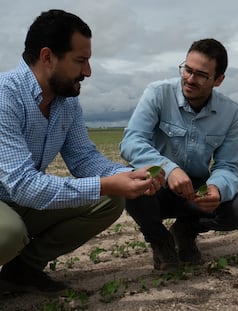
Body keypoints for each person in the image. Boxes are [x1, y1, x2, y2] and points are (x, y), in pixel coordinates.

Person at [0, 9, 164, 294]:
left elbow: (83, 157)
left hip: (15, 199)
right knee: (7, 233)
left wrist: (127, 175)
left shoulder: (66, 102)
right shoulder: (5, 97)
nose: (87, 72)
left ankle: (21, 271)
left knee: (110, 199)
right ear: (47, 56)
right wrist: (105, 182)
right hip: (11, 198)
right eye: (80, 61)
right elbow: (23, 185)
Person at [120, 38, 238, 270]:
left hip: (195, 189)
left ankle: (184, 232)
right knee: (133, 187)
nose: (190, 79)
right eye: (187, 70)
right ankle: (160, 240)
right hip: (157, 183)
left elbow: (227, 165)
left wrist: (217, 189)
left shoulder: (230, 112)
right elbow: (131, 141)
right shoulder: (158, 93)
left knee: (237, 211)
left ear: (218, 80)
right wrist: (168, 169)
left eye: (201, 74)